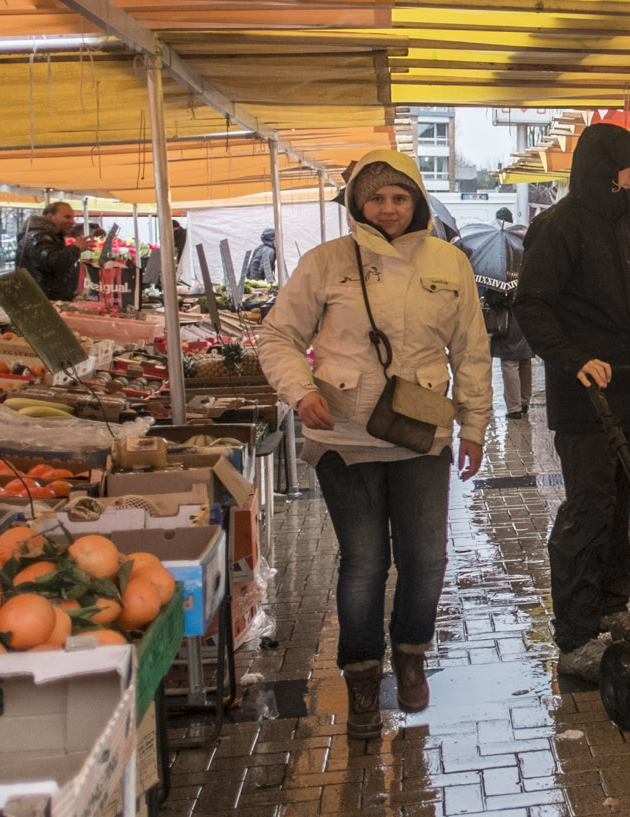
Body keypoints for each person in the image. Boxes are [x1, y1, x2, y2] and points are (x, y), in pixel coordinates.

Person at [259, 149, 490, 739]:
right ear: (357, 201)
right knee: (364, 561)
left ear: (416, 201)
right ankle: (362, 680)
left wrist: (474, 427)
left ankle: (411, 656)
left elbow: (471, 351)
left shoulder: (449, 261)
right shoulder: (325, 262)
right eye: (376, 197)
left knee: (427, 558)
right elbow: (278, 336)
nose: (387, 208)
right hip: (342, 434)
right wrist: (299, 390)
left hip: (422, 432)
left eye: (399, 196)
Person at [514, 122, 630, 682]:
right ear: (604, 168)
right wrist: (572, 359)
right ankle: (573, 636)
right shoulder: (557, 227)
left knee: (627, 503)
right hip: (585, 392)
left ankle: (613, 605)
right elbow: (533, 306)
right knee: (588, 508)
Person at [473, 208, 535, 419]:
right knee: (525, 360)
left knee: (510, 363)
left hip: (509, 319)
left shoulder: (497, 259)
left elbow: (498, 297)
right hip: (527, 316)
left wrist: (492, 296)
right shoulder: (524, 251)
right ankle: (525, 401)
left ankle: (514, 407)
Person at [18, 202, 82, 302]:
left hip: (49, 299)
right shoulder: (38, 236)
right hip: (43, 301)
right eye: (67, 217)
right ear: (50, 216)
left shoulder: (49, 236)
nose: (72, 222)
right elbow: (52, 259)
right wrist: (76, 248)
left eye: (72, 218)